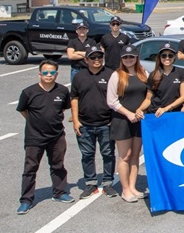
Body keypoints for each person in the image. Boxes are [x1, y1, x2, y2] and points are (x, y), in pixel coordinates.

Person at [16, 60, 74, 214]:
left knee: (58, 165)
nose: (49, 75)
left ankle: (59, 192)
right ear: (40, 74)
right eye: (46, 72)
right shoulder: (28, 92)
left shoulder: (62, 91)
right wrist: (34, 122)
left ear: (56, 74)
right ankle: (26, 200)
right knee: (30, 168)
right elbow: (22, 110)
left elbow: (63, 109)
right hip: (34, 137)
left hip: (56, 136)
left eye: (52, 72)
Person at [71, 45, 118, 199]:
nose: (97, 60)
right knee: (87, 155)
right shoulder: (79, 77)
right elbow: (74, 98)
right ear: (86, 60)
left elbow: (117, 98)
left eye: (99, 56)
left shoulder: (111, 74)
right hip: (85, 124)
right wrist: (75, 120)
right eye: (93, 57)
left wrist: (113, 120)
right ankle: (90, 183)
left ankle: (108, 183)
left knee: (108, 154)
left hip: (106, 123)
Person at [107, 45, 150, 203]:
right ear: (121, 59)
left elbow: (149, 96)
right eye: (125, 57)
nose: (128, 59)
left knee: (135, 155)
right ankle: (125, 190)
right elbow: (111, 101)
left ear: (136, 57)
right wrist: (128, 114)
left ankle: (133, 187)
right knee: (125, 156)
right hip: (122, 120)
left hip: (139, 120)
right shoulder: (116, 75)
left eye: (131, 56)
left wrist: (140, 111)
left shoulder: (144, 73)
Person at [147, 43, 184, 116]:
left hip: (174, 113)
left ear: (174, 57)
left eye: (170, 55)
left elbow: (183, 97)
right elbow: (148, 99)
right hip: (156, 113)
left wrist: (166, 109)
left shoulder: (182, 72)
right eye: (164, 55)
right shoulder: (153, 75)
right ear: (159, 57)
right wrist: (139, 109)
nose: (167, 58)